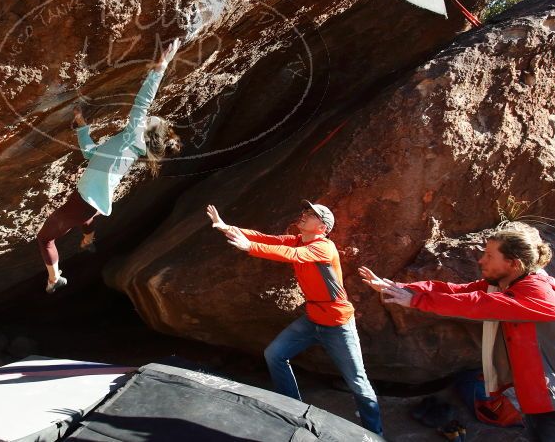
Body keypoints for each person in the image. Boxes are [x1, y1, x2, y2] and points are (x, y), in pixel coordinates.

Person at [359, 221, 555, 442]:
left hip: (549, 399)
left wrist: (416, 301)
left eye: (490, 256)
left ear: (513, 263)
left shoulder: (536, 293)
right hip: (536, 395)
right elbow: (456, 290)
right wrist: (403, 289)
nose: (481, 260)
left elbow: (476, 303)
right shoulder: (509, 281)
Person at [207, 201, 384, 436]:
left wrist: (250, 247)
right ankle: (293, 409)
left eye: (311, 214)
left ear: (322, 227)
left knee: (358, 383)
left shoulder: (324, 247)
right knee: (275, 354)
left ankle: (375, 434)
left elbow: (291, 254)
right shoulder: (299, 239)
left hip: (337, 324)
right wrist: (226, 227)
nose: (304, 215)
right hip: (313, 319)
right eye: (305, 211)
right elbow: (268, 239)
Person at [37, 39, 183, 293]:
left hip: (85, 201)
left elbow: (143, 100)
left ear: (148, 130)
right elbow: (91, 154)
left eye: (151, 120)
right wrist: (82, 125)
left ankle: (54, 279)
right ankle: (89, 237)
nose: (147, 117)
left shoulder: (133, 135)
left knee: (45, 239)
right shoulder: (125, 148)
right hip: (92, 202)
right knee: (85, 218)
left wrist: (162, 65)